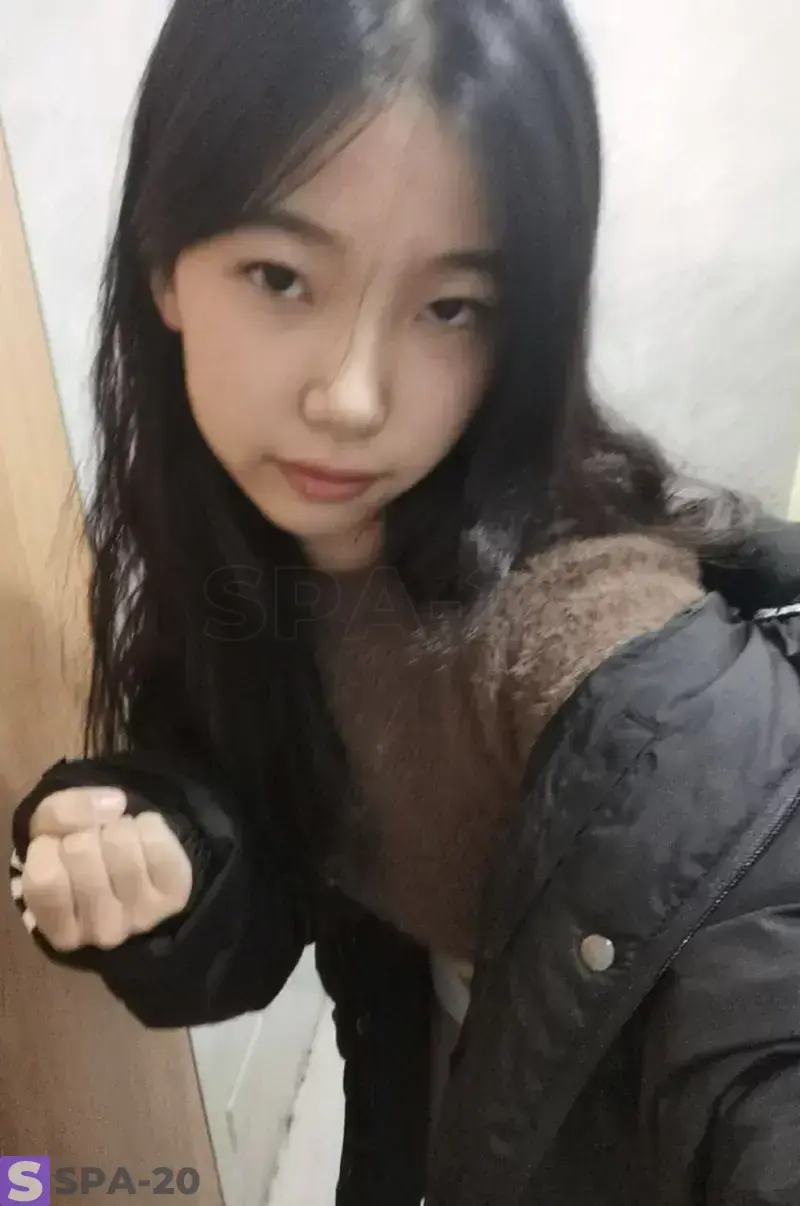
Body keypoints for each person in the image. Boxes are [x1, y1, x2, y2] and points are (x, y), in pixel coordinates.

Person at [9, 0, 800, 1202]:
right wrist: (178, 853)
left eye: (448, 307)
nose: (351, 397)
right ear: (165, 267)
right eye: (281, 277)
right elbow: (285, 861)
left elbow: (747, 982)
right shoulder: (251, 548)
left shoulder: (592, 645)